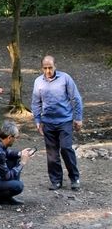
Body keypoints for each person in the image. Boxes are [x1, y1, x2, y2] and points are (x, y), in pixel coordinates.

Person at [31, 55, 83, 191]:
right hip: (48, 122)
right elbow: (36, 102)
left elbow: (76, 98)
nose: (48, 71)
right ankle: (56, 181)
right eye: (45, 68)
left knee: (66, 148)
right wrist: (37, 120)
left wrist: (78, 118)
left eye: (50, 67)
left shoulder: (65, 78)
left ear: (55, 66)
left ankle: (74, 178)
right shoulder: (38, 82)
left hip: (64, 120)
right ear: (41, 68)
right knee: (52, 154)